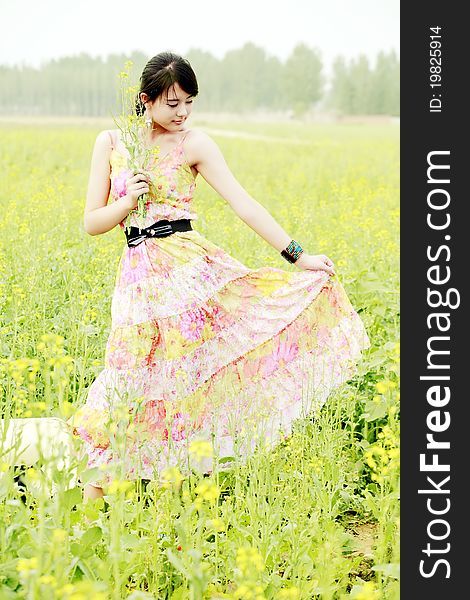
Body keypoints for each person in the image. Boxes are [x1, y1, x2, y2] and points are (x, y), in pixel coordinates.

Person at [66, 51, 369, 502]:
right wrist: (129, 202)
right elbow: (92, 221)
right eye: (172, 103)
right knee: (126, 379)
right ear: (145, 100)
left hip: (191, 273)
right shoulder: (112, 142)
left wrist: (298, 255)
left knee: (192, 381)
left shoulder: (195, 144)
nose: (182, 112)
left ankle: (177, 492)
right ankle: (91, 508)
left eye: (189, 101)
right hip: (139, 281)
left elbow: (243, 203)